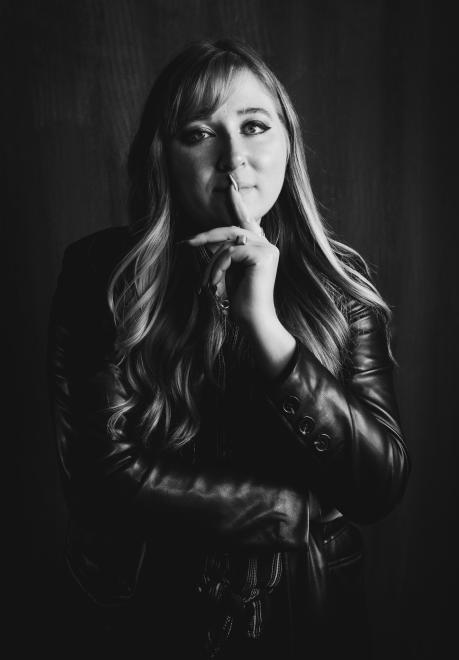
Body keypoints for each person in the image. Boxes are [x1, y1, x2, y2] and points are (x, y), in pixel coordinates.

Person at [47, 38, 410, 660]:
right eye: (199, 133)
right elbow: (102, 476)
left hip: (312, 618)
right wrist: (286, 509)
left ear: (287, 143)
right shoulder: (102, 274)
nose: (234, 156)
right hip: (153, 616)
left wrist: (266, 330)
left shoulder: (339, 284)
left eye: (254, 126)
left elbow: (378, 485)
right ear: (165, 157)